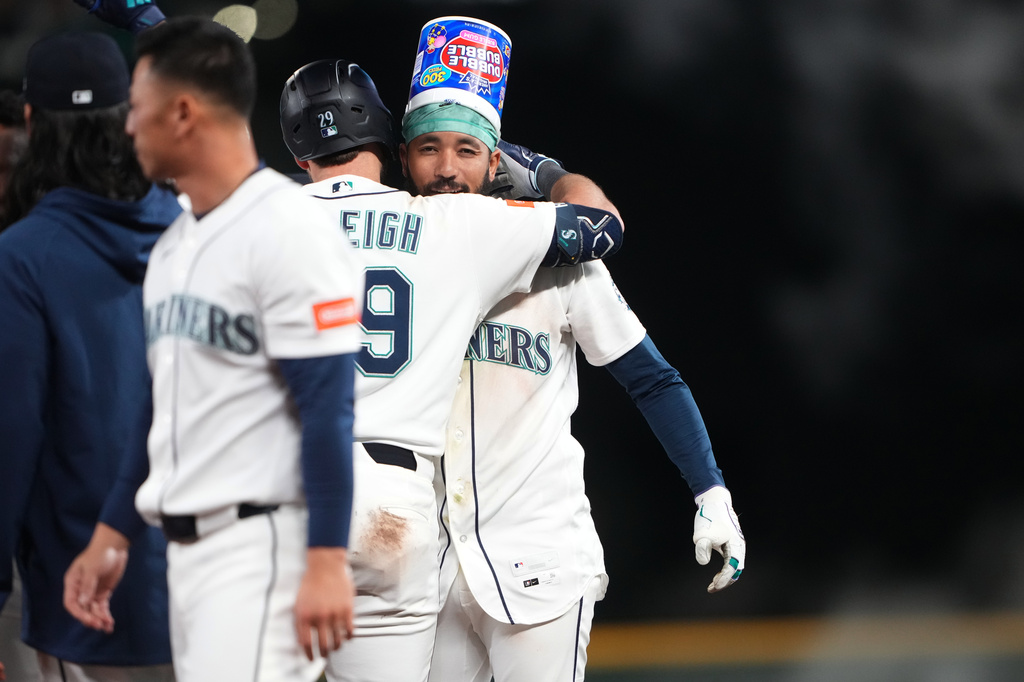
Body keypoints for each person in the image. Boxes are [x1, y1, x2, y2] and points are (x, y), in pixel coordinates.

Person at [397, 32, 747, 682]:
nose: (446, 166)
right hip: (426, 567)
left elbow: (650, 378)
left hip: (540, 559)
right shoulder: (391, 249)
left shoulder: (555, 258)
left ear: (494, 159)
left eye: (466, 149)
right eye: (428, 147)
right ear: (403, 157)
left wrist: (711, 490)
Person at [278, 59, 625, 682]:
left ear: (299, 151)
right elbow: (602, 226)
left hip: (279, 489)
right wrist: (547, 173)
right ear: (387, 140)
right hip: (394, 503)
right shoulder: (454, 223)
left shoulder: (256, 222)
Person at [62, 17, 364, 682]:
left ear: (182, 111)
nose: (129, 126)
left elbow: (328, 410)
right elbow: (158, 410)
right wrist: (112, 534)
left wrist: (325, 558)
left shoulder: (289, 227)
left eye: (137, 108)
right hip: (187, 557)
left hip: (261, 549)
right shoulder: (175, 245)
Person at [0, 31, 180, 682]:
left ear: (30, 123)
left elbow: (12, 436)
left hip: (84, 587)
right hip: (209, 581)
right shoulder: (199, 226)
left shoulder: (24, 255)